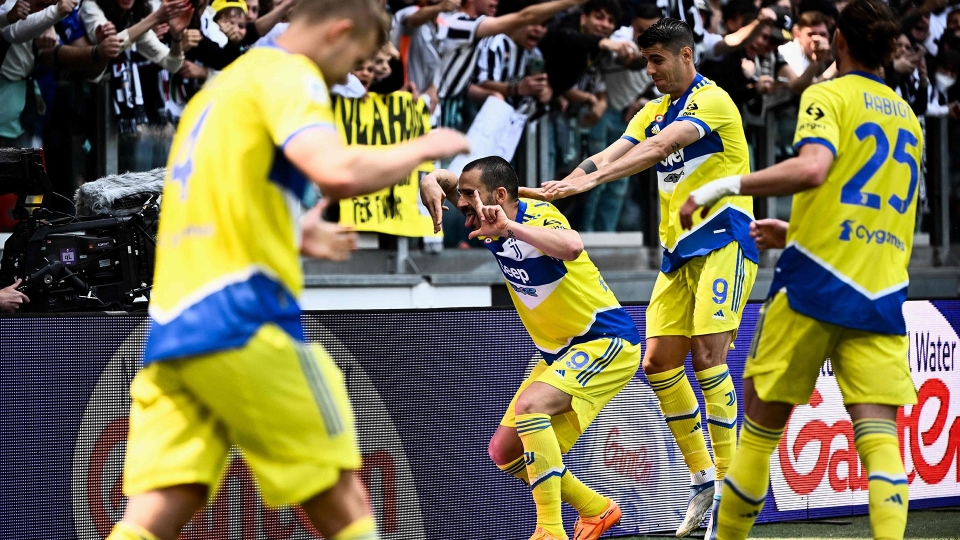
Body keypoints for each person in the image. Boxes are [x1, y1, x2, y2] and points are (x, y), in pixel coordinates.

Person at [105, 1, 470, 539]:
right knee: (341, 492)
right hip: (244, 321)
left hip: (172, 328)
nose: (350, 77)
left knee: (162, 504)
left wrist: (294, 233)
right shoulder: (290, 75)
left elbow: (217, 203)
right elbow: (336, 171)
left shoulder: (224, 90)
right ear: (339, 31)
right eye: (357, 59)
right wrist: (427, 149)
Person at [677, 1, 921, 539]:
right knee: (881, 441)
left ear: (840, 42)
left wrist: (722, 186)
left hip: (811, 286)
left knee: (759, 433)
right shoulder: (908, 118)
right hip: (880, 294)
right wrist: (794, 232)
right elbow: (872, 215)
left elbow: (814, 169)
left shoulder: (827, 94)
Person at [524, 18, 757, 539]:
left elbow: (653, 151)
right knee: (658, 363)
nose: (650, 71)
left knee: (709, 357)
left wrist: (589, 184)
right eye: (646, 61)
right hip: (678, 253)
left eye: (657, 60)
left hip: (724, 242)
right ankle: (702, 479)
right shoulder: (652, 111)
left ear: (686, 55)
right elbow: (607, 155)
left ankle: (729, 487)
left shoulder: (712, 101)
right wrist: (561, 186)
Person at [419, 156, 641, 540]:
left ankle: (549, 531)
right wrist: (431, 178)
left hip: (605, 340)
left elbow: (572, 246)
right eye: (462, 198)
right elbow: (449, 181)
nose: (463, 206)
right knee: (504, 452)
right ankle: (596, 509)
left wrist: (510, 229)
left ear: (499, 196)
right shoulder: (483, 213)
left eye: (469, 197)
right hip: (560, 352)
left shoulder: (536, 217)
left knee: (530, 407)